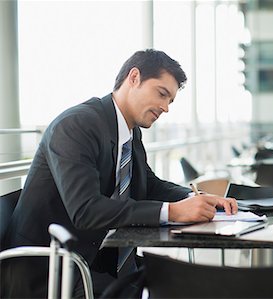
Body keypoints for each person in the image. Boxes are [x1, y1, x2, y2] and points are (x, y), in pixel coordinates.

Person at [1, 49, 238, 298]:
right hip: (48, 270)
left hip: (95, 258)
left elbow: (151, 185)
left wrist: (199, 199)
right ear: (134, 77)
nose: (166, 107)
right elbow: (86, 211)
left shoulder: (129, 133)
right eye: (162, 94)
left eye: (170, 100)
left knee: (185, 280)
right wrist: (173, 211)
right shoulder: (77, 125)